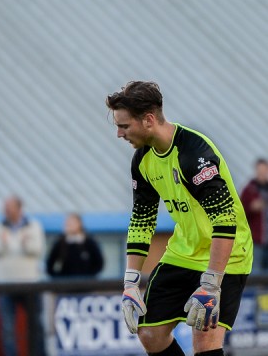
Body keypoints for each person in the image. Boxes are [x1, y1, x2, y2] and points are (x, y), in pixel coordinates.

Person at [105, 81, 252, 356]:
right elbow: (142, 218)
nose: (118, 133)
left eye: (124, 126)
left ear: (148, 120)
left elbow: (225, 220)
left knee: (204, 341)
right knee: (150, 334)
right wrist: (130, 281)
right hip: (182, 252)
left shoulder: (194, 153)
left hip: (227, 253)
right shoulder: (142, 160)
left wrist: (211, 284)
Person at [0, 196, 46, 356]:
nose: (5, 210)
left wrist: (25, 243)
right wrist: (4, 243)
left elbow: (38, 250)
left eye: (9, 207)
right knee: (7, 328)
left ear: (19, 208)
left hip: (31, 284)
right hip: (5, 285)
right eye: (5, 207)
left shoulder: (33, 226)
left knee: (36, 325)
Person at [46, 213, 104, 277]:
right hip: (66, 284)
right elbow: (49, 264)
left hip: (85, 284)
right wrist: (58, 279)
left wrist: (90, 277)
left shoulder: (89, 242)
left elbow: (99, 263)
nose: (68, 225)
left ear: (79, 224)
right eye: (67, 223)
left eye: (71, 223)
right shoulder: (60, 243)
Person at [240, 159, 268, 273]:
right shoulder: (249, 190)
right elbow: (241, 213)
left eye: (264, 170)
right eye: (259, 170)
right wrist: (251, 208)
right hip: (256, 240)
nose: (262, 173)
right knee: (256, 272)